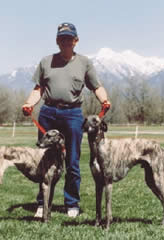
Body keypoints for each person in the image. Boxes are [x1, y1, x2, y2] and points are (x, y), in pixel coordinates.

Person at [22, 22, 110, 218]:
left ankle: (72, 203)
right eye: (62, 39)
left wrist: (104, 99)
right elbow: (39, 89)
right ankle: (42, 203)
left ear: (76, 41)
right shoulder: (46, 62)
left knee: (72, 160)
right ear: (57, 41)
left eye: (69, 39)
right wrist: (29, 104)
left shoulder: (85, 63)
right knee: (44, 159)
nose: (65, 42)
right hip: (48, 112)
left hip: (72, 114)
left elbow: (97, 86)